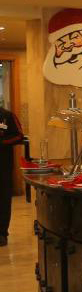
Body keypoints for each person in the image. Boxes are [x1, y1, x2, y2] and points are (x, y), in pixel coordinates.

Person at [0, 105, 25, 246]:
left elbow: (19, 136)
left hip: (3, 166)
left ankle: (2, 233)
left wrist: (2, 142)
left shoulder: (7, 116)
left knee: (3, 199)